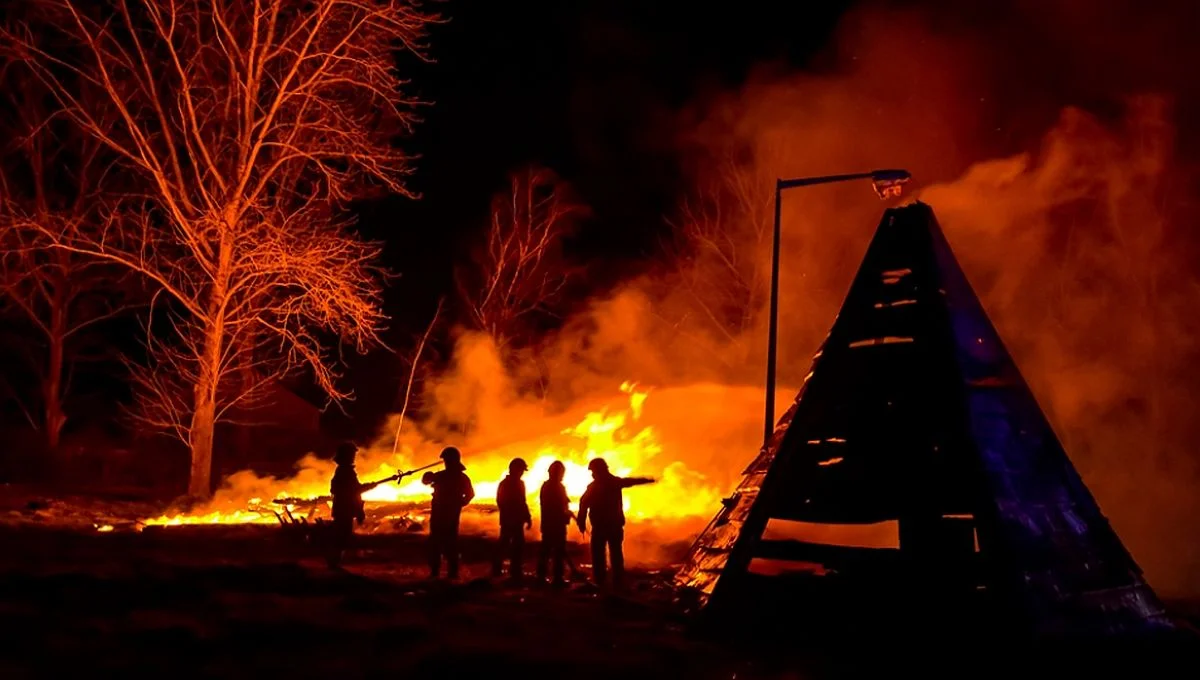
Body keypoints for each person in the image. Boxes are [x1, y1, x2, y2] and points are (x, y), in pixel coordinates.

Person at [576, 458, 655, 589]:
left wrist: (581, 521)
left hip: (602, 526)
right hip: (613, 525)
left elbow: (583, 503)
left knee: (599, 555)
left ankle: (601, 580)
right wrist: (646, 480)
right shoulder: (614, 482)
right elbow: (630, 481)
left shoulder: (595, 486)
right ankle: (617, 581)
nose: (592, 474)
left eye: (593, 471)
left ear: (598, 470)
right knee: (615, 554)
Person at [327, 441, 400, 568]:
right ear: (346, 455)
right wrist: (369, 487)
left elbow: (352, 489)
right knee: (341, 536)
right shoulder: (345, 471)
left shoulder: (344, 470)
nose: (353, 456)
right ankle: (333, 562)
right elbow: (353, 489)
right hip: (344, 508)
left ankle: (335, 561)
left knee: (342, 535)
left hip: (343, 508)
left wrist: (370, 486)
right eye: (352, 454)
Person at [425, 446, 474, 579]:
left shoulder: (446, 477)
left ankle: (447, 572)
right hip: (444, 515)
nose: (446, 463)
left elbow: (470, 494)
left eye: (447, 460)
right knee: (442, 544)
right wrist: (461, 503)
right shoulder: (450, 477)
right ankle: (443, 572)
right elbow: (426, 481)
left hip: (445, 516)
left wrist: (460, 503)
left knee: (446, 544)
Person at [493, 458, 532, 582]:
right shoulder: (505, 484)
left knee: (518, 545)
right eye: (520, 470)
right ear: (513, 469)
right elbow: (501, 502)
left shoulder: (520, 484)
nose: (521, 473)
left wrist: (527, 517)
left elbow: (523, 501)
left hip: (517, 519)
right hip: (509, 519)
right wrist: (509, 515)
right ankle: (497, 568)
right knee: (505, 543)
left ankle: (515, 570)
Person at [538, 460, 573, 586]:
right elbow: (553, 506)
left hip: (552, 524)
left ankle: (545, 577)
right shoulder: (552, 487)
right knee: (554, 552)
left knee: (549, 551)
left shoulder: (553, 486)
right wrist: (565, 515)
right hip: (554, 524)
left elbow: (562, 503)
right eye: (561, 472)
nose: (562, 475)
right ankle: (556, 578)